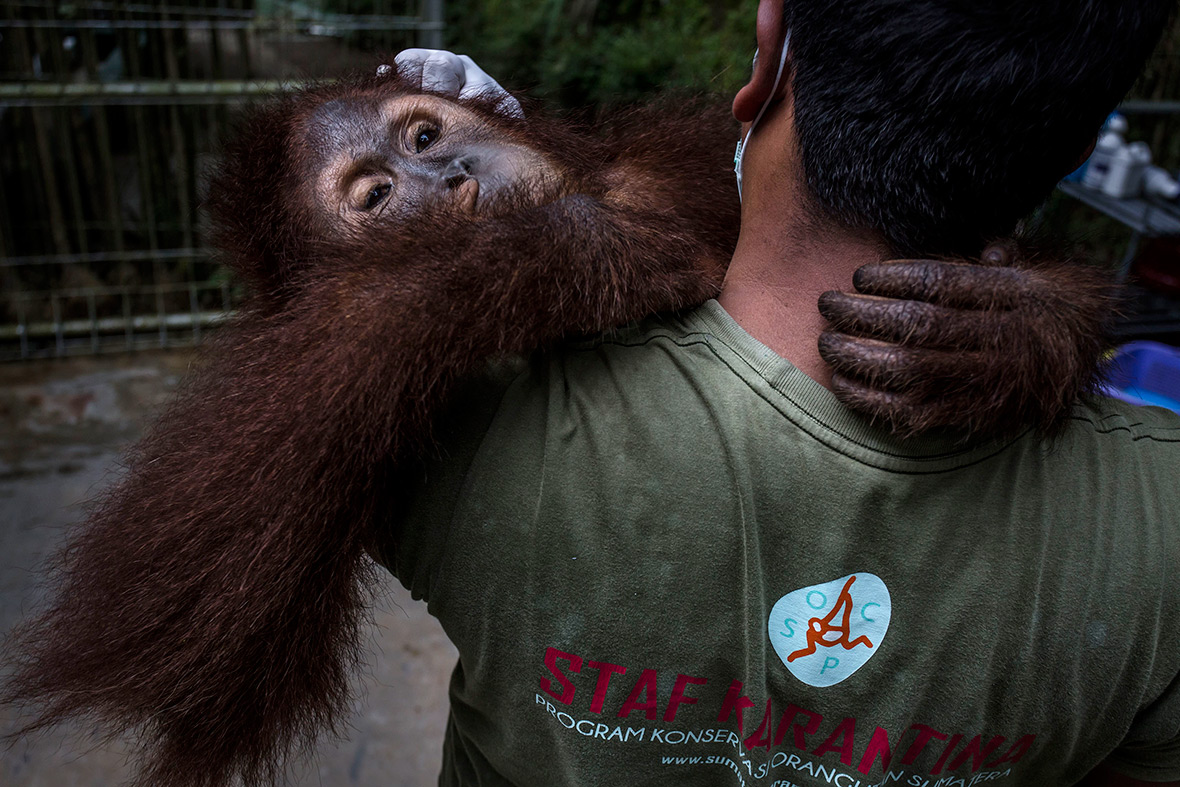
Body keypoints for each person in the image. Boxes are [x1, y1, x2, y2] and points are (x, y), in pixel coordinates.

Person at [380, 2, 1180, 785]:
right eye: (381, 189)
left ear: (767, 48)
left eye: (427, 136)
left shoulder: (461, 435)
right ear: (1079, 145)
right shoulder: (1155, 528)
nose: (452, 179)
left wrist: (1047, 330)